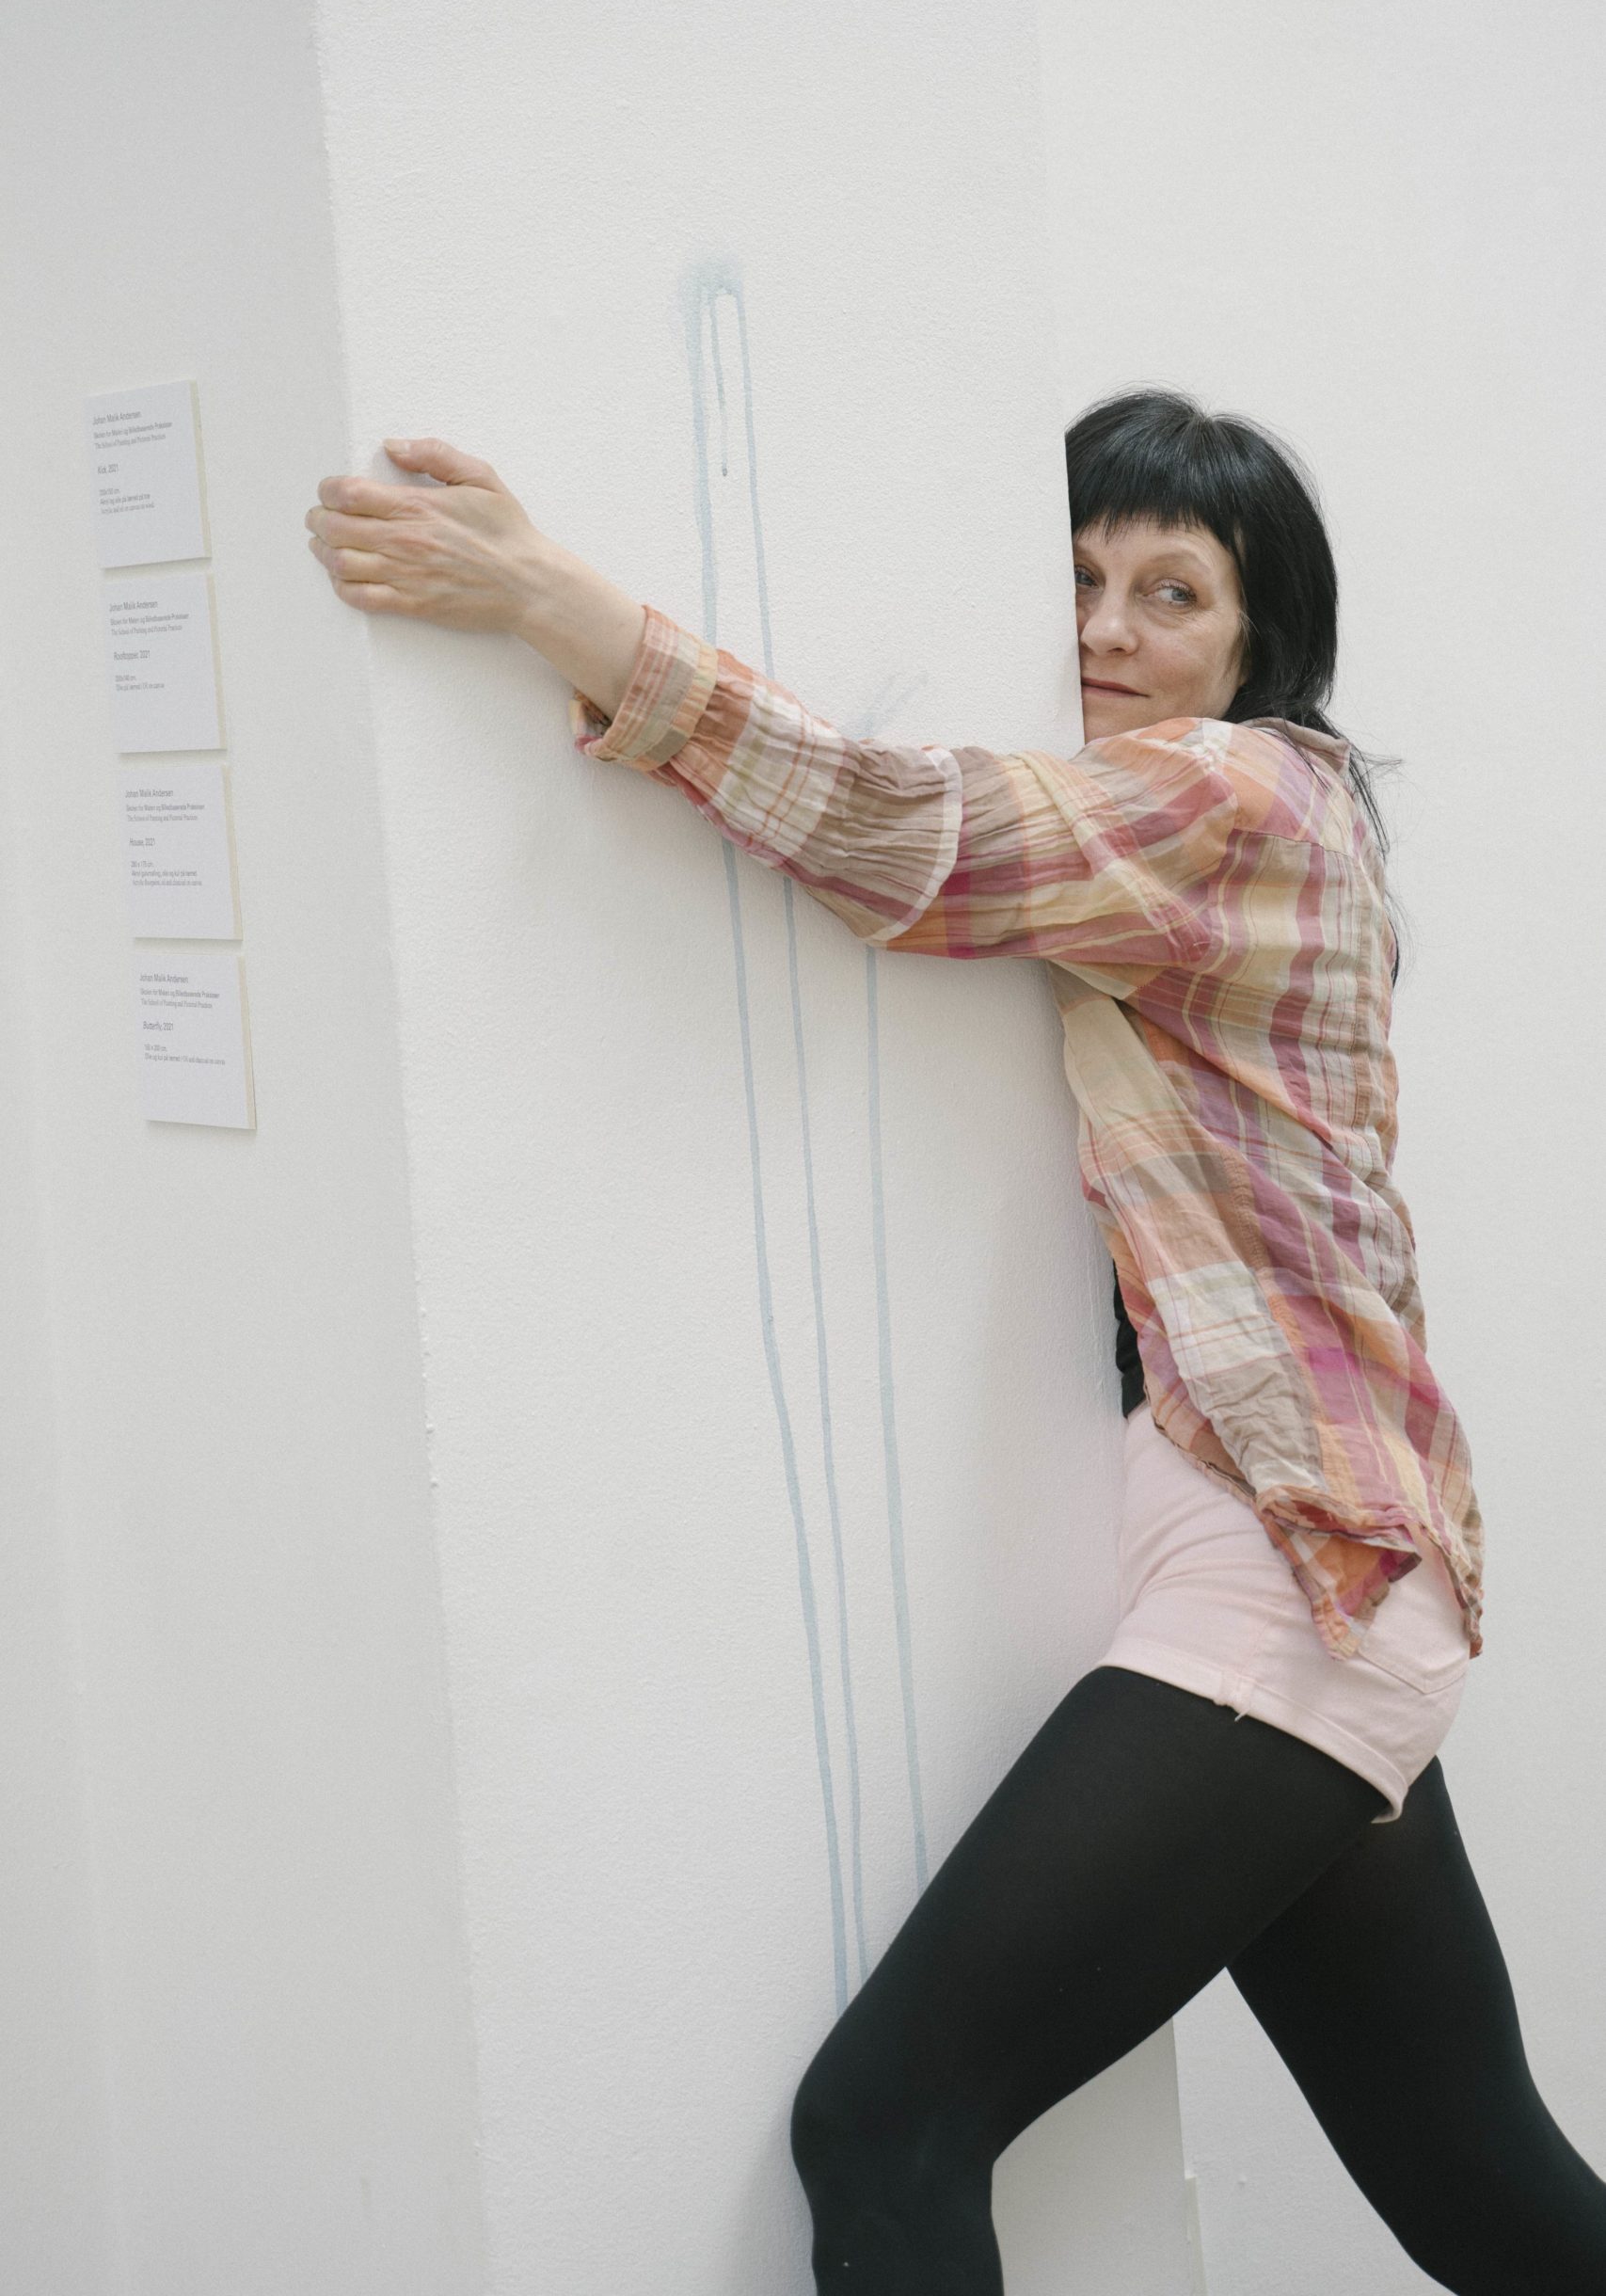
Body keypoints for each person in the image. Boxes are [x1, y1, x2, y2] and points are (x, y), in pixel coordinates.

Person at [306, 390, 1606, 2294]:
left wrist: (542, 600)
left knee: (886, 2123)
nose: (1105, 628)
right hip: (1325, 1559)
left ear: (1259, 642)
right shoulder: (1216, 831)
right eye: (1077, 576)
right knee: (1497, 2200)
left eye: (1170, 592)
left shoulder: (1235, 794)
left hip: (1293, 1577)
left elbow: (896, 827)